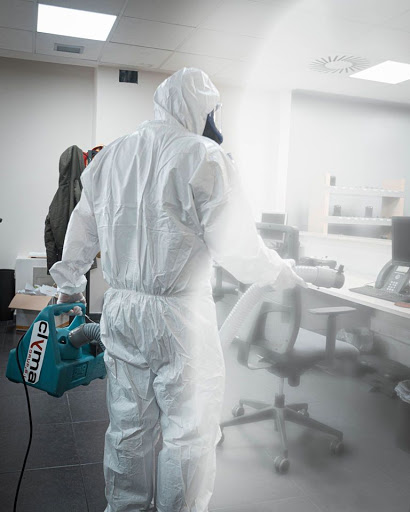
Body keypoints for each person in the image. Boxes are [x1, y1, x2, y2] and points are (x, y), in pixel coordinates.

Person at [50, 68, 305, 512]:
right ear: (199, 108)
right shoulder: (204, 156)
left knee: (128, 425)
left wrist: (69, 289)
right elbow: (237, 247)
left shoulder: (112, 155)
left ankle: (125, 506)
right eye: (212, 112)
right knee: (188, 432)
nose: (214, 123)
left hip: (121, 310)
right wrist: (278, 271)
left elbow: (81, 229)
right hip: (180, 317)